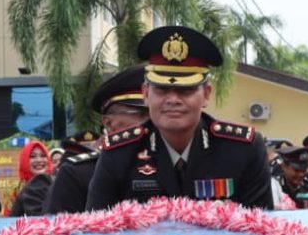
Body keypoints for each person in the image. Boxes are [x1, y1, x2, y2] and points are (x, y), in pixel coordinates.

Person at [85, 25, 273, 210]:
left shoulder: (242, 150)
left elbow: (260, 231)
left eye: (186, 90)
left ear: (206, 94)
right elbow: (99, 232)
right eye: (161, 89)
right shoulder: (118, 153)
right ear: (146, 94)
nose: (173, 100)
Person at [45, 66, 150, 215]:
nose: (151, 122)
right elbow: (57, 234)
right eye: (142, 114)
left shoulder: (168, 164)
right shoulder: (77, 174)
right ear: (108, 122)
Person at [10, 141, 53, 216]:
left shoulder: (53, 182)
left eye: (43, 156)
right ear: (24, 161)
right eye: (33, 156)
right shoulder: (17, 190)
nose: (39, 160)